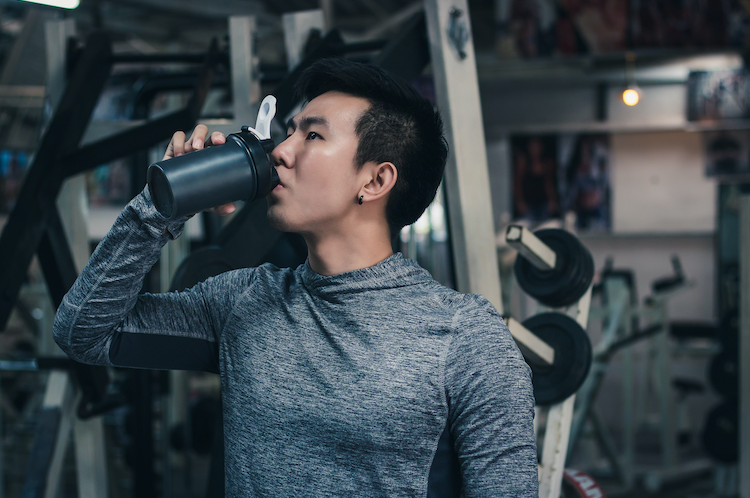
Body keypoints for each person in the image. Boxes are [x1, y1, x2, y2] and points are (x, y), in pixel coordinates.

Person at [53, 58, 538, 497]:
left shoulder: (466, 336)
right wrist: (161, 207)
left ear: (375, 180)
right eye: (289, 131)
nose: (281, 151)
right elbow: (84, 333)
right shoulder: (242, 300)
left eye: (312, 136)